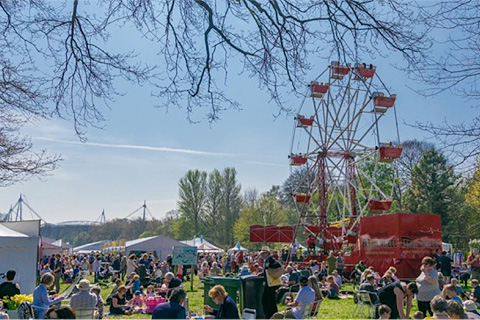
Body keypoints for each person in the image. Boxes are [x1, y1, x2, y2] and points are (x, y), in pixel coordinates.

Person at [260, 246, 282, 319]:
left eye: (264, 253)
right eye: (261, 253)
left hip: (271, 284)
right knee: (269, 301)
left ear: (267, 253)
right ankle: (271, 316)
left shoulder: (270, 260)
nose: (262, 255)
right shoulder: (267, 260)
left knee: (267, 301)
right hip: (268, 284)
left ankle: (270, 316)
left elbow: (278, 265)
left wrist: (269, 266)